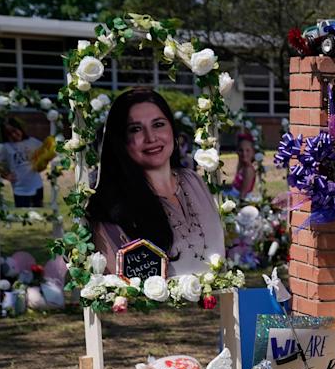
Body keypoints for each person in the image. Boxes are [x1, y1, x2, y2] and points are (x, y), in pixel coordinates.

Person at [87, 87, 224, 277]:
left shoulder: (193, 180)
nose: (151, 138)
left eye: (158, 124)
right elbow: (122, 289)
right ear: (122, 141)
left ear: (173, 131)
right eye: (135, 129)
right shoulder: (112, 204)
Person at [0, 117, 46, 207]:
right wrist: (5, 175)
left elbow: (48, 153)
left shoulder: (33, 142)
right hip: (19, 190)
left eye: (14, 130)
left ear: (20, 128)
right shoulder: (5, 147)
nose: (13, 135)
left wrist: (42, 163)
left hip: (37, 186)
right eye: (9, 134)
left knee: (38, 216)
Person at [229, 132, 258, 197]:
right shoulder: (242, 166)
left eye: (247, 150)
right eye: (241, 150)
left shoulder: (248, 170)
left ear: (253, 152)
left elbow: (243, 194)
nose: (244, 153)